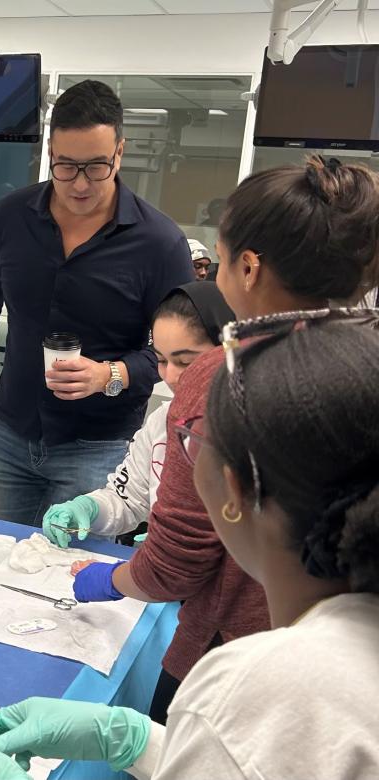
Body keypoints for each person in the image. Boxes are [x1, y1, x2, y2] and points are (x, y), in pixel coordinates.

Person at [0, 315, 379, 780]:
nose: (170, 376)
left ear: (231, 487)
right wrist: (142, 742)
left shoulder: (256, 690)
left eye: (190, 444)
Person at [71, 155, 379, 722]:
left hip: (247, 645)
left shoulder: (226, 376)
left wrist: (115, 578)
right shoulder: (365, 354)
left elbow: (179, 558)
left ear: (249, 268)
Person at [0, 79, 193, 526]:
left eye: (97, 166)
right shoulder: (11, 216)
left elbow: (183, 353)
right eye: (66, 167)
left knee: (73, 580)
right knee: (2, 564)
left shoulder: (159, 243)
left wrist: (110, 375)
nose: (80, 184)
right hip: (8, 433)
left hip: (99, 447)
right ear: (49, 154)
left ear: (120, 153)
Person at [43, 282, 233, 548]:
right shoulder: (162, 424)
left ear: (229, 351)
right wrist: (88, 508)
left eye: (187, 362)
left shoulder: (263, 429)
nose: (171, 376)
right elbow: (128, 500)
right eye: (162, 361)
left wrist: (192, 546)